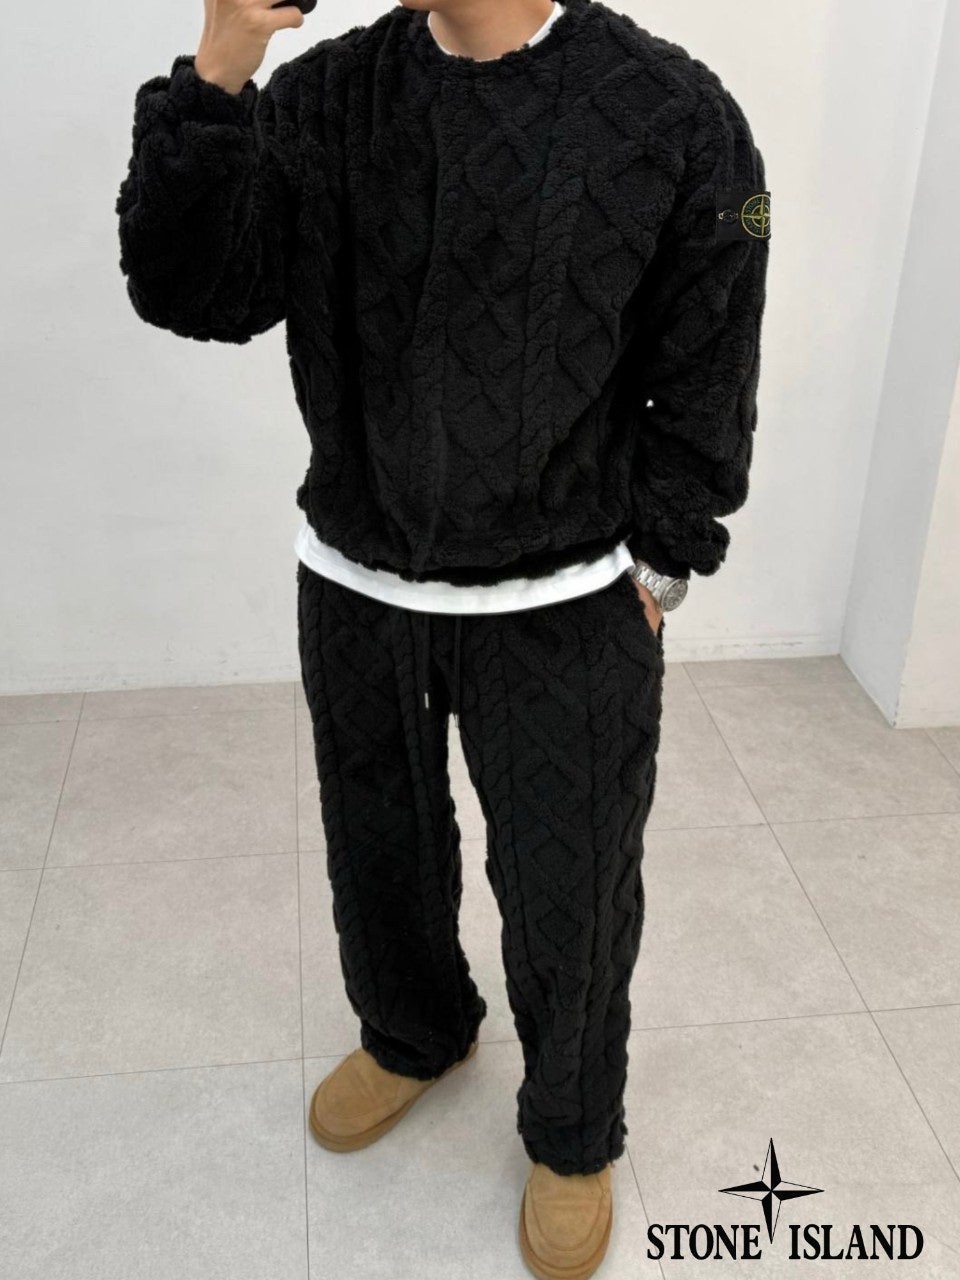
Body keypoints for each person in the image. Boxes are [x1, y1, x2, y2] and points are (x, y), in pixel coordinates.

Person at [115, 1, 770, 1275]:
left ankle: (572, 1129)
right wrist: (223, 62)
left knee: (572, 890)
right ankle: (413, 1029)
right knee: (377, 848)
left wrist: (664, 560)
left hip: (564, 599)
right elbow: (190, 290)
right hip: (360, 582)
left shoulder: (676, 116)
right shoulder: (325, 99)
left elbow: (712, 349)